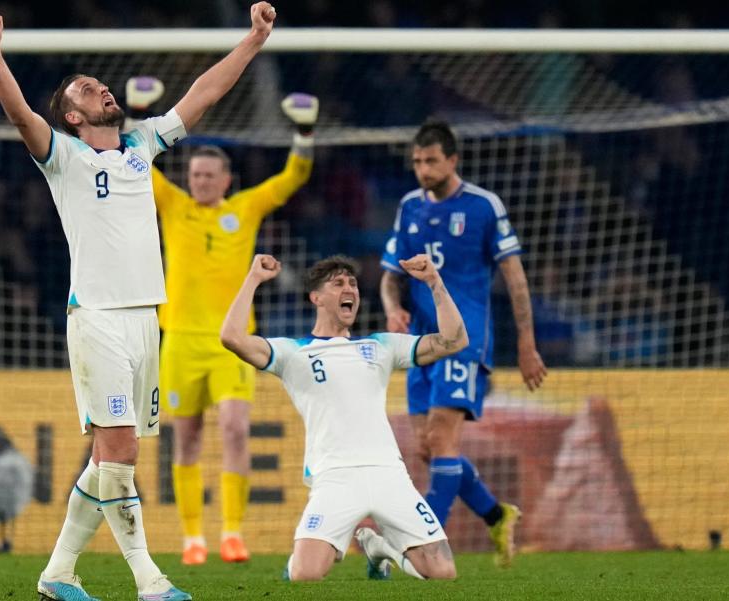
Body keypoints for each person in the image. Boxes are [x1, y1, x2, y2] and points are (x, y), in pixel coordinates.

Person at [0, 5, 277, 601]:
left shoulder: (143, 142)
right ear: (73, 114)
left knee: (108, 460)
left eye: (102, 84)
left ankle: (58, 574)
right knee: (122, 452)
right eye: (89, 89)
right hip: (99, 319)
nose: (103, 88)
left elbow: (204, 93)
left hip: (147, 320)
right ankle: (150, 581)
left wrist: (254, 40)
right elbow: (18, 113)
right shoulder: (62, 155)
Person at [220, 253, 467, 582]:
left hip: (388, 474)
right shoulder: (294, 353)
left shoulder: (380, 346)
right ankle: (342, 553)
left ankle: (383, 549)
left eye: (352, 283)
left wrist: (435, 283)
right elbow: (231, 337)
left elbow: (455, 340)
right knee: (305, 575)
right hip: (335, 477)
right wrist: (253, 279)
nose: (349, 288)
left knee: (443, 572)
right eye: (337, 284)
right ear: (316, 298)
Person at [147, 88, 317, 565]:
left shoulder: (244, 209)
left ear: (226, 179)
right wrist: (139, 117)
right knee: (187, 438)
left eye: (208, 175)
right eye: (194, 174)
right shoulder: (174, 206)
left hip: (233, 342)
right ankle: (192, 538)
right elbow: (138, 166)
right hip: (179, 339)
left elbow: (293, 177)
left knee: (236, 428)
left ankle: (233, 532)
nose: (200, 181)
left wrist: (304, 133)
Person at [379, 120, 547, 568]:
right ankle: (496, 515)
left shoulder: (483, 206)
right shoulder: (409, 206)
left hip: (464, 342)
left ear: (453, 161)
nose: (423, 168)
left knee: (442, 437)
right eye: (417, 161)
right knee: (429, 449)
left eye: (431, 160)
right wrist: (392, 307)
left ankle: (420, 549)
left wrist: (527, 345)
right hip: (419, 346)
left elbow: (514, 278)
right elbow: (388, 278)